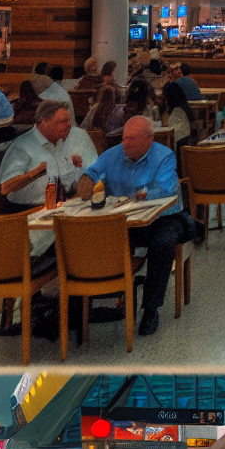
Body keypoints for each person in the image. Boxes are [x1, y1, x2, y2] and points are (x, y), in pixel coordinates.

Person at [80, 116, 198, 336]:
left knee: (163, 243)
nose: (126, 143)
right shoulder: (112, 154)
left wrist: (133, 197)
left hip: (164, 218)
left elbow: (167, 191)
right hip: (125, 221)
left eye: (132, 139)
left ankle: (151, 308)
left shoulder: (164, 156)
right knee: (89, 235)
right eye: (125, 138)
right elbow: (91, 174)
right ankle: (89, 302)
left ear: (149, 139)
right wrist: (86, 182)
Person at [0, 101, 97, 207]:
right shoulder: (22, 146)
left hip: (56, 204)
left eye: (69, 121)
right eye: (63, 122)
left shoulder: (57, 143)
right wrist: (38, 170)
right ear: (44, 122)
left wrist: (73, 166)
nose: (69, 125)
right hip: (26, 210)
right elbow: (5, 188)